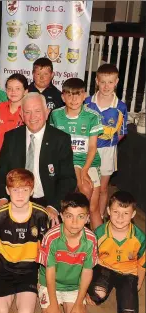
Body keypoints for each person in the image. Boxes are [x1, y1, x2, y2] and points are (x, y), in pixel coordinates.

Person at [0, 92, 76, 226]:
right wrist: (2, 199)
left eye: (37, 111)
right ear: (21, 115)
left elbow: (68, 179)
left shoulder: (61, 139)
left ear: (47, 112)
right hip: (16, 201)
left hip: (48, 201)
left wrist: (54, 206)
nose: (32, 117)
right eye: (27, 112)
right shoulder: (11, 137)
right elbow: (1, 173)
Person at [0, 169, 49, 313]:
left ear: (32, 191)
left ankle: (23, 291)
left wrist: (43, 278)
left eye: (25, 190)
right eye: (15, 190)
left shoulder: (41, 215)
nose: (20, 195)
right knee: (1, 312)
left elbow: (44, 248)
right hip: (4, 269)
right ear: (7, 191)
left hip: (28, 271)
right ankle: (9, 291)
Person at [37, 192, 97, 313]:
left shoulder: (91, 240)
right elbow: (50, 272)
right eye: (69, 216)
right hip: (50, 283)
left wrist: (78, 303)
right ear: (62, 216)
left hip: (73, 287)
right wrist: (53, 303)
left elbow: (87, 273)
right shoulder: (51, 237)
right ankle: (45, 293)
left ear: (88, 218)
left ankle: (71, 303)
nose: (75, 223)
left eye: (80, 217)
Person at [50, 78, 104, 229]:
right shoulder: (55, 115)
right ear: (62, 97)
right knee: (81, 192)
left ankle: (100, 244)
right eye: (69, 94)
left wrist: (85, 170)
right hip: (66, 161)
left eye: (78, 94)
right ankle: (69, 232)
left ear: (85, 95)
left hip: (88, 161)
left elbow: (92, 147)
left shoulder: (92, 116)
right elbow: (53, 143)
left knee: (93, 208)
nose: (73, 99)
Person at [86, 191, 145, 313]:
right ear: (108, 211)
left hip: (128, 273)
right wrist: (84, 290)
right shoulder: (99, 233)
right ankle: (100, 287)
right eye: (116, 212)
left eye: (125, 213)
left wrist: (138, 284)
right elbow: (89, 260)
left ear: (133, 214)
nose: (120, 217)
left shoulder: (139, 238)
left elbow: (142, 263)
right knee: (97, 296)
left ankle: (123, 291)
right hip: (105, 268)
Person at [84, 64, 128, 220]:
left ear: (116, 82)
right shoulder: (87, 102)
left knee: (102, 188)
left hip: (107, 152)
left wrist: (108, 140)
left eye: (110, 82)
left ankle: (99, 217)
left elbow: (121, 133)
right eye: (102, 82)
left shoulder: (120, 107)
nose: (106, 86)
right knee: (86, 186)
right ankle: (85, 215)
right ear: (96, 81)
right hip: (88, 150)